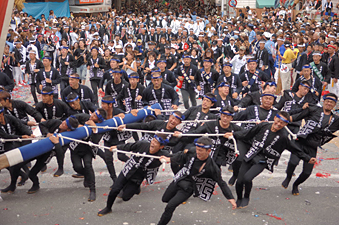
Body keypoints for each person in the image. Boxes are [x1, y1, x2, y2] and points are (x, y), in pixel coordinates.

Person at [224, 111, 316, 208]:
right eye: (278, 121)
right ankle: (239, 198)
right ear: (275, 118)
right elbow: (247, 134)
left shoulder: (283, 137)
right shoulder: (263, 126)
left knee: (247, 178)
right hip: (251, 154)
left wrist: (307, 158)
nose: (279, 124)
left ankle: (246, 197)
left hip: (264, 160)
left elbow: (294, 149)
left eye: (282, 123)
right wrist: (233, 134)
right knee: (239, 181)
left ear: (285, 124)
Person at [157, 136, 237, 224]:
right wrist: (169, 159)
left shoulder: (212, 168)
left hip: (189, 187)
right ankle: (177, 200)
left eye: (200, 151)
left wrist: (230, 198)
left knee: (170, 207)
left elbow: (221, 183)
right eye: (197, 149)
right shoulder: (192, 151)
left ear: (208, 151)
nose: (197, 152)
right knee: (165, 199)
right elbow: (181, 156)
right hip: (180, 178)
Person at [97, 134, 170, 216]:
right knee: (115, 190)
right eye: (153, 140)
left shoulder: (163, 154)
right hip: (128, 170)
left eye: (156, 143)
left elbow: (174, 157)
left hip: (138, 177)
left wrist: (168, 159)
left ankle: (136, 188)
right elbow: (129, 146)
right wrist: (117, 147)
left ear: (161, 146)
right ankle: (108, 208)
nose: (152, 143)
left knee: (126, 197)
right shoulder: (143, 144)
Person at [282, 93, 339, 195]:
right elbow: (296, 117)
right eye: (327, 101)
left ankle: (295, 185)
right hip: (300, 141)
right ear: (324, 101)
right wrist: (281, 119)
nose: (329, 103)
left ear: (335, 105)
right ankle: (288, 177)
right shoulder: (314, 109)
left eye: (332, 102)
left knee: (307, 172)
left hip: (312, 146)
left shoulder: (335, 119)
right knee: (293, 163)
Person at [27, 116, 80, 193]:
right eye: (65, 120)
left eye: (66, 124)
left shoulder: (67, 137)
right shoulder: (57, 122)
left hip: (49, 153)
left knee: (32, 173)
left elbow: (60, 153)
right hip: (39, 147)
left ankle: (36, 184)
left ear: (68, 129)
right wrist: (47, 133)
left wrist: (56, 143)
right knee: (21, 163)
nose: (63, 122)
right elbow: (42, 124)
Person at [69, 109, 106, 201]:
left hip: (87, 150)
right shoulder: (84, 117)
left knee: (88, 165)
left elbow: (95, 141)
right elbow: (71, 118)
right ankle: (86, 175)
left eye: (94, 116)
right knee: (77, 167)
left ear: (99, 120)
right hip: (75, 148)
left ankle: (92, 190)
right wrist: (78, 126)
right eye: (92, 114)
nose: (91, 116)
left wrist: (94, 129)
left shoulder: (100, 128)